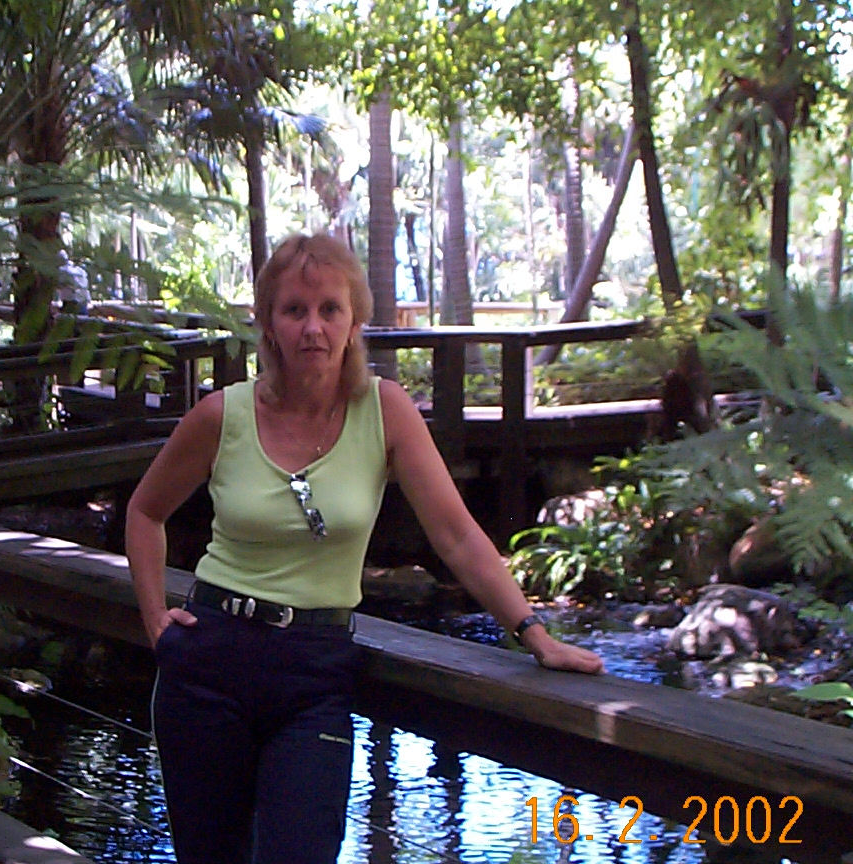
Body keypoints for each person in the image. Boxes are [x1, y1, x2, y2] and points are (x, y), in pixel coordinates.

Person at [124, 231, 604, 864]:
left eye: (330, 309)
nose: (313, 328)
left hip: (314, 672)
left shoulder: (385, 411)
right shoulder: (223, 415)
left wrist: (533, 633)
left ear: (354, 321)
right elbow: (144, 510)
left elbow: (457, 535)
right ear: (268, 323)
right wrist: (157, 620)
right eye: (294, 310)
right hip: (209, 665)